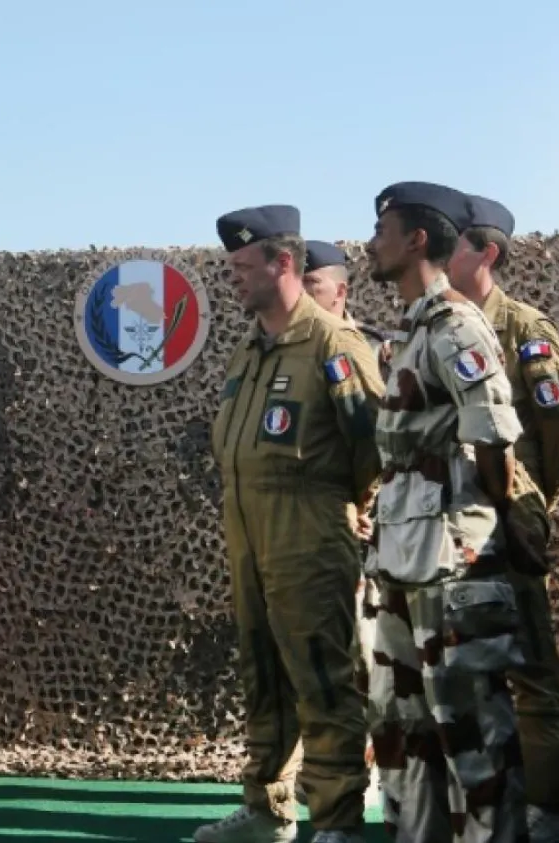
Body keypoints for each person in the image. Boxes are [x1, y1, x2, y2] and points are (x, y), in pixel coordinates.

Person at [200, 206, 381, 843]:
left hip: (309, 536)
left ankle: (336, 822)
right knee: (264, 674)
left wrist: (347, 510)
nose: (233, 280)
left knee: (323, 681)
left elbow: (375, 449)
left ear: (284, 264)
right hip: (250, 536)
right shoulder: (248, 350)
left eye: (243, 268)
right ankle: (267, 810)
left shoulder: (333, 344)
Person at [363, 181, 528, 843]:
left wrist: (486, 528)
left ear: (417, 240)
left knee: (473, 731)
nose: (371, 243)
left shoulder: (456, 323)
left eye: (382, 230)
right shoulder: (412, 328)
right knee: (406, 732)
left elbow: (494, 437)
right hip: (403, 558)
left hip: (452, 558)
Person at [444, 194, 559, 843]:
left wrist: (530, 504)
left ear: (487, 252)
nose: (442, 258)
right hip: (450, 531)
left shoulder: (524, 328)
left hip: (508, 521)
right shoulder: (438, 328)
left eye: (455, 246)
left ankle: (547, 809)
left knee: (531, 671)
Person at [291, 238, 385, 810]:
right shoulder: (282, 349)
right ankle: (318, 774)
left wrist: (366, 509)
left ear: (340, 290)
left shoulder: (373, 348)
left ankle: (365, 769)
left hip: (366, 536)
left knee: (365, 658)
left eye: (313, 286)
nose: (302, 295)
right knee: (313, 659)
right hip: (308, 536)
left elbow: (379, 444)